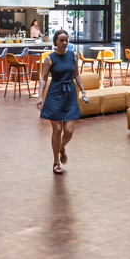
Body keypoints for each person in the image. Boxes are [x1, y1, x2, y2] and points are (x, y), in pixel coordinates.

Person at [37, 29, 88, 173]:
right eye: (61, 40)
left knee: (69, 131)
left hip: (70, 94)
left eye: (66, 40)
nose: (64, 43)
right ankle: (55, 162)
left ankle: (61, 148)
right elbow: (43, 78)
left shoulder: (74, 55)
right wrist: (40, 96)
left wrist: (82, 90)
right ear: (55, 42)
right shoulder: (49, 58)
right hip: (55, 94)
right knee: (57, 129)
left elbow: (76, 75)